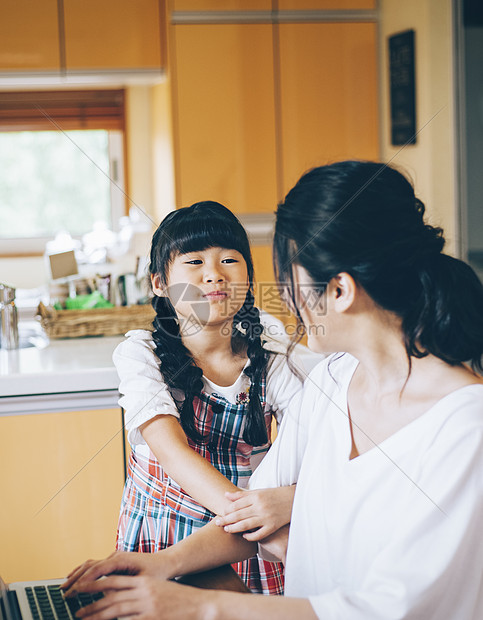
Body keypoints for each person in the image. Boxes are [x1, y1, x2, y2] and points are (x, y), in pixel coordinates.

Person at [63, 162, 483, 619]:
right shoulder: (332, 381)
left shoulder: (466, 428)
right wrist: (162, 564)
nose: (281, 294)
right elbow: (253, 514)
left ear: (338, 290)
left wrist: (201, 606)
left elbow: (383, 610)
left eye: (287, 276)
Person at [112, 201, 306, 596]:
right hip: (169, 535)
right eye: (195, 261)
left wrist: (290, 501)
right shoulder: (140, 353)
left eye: (229, 260)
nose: (214, 275)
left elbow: (312, 443)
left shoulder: (270, 351)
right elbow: (173, 454)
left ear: (249, 277)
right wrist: (262, 522)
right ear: (159, 283)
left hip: (248, 539)